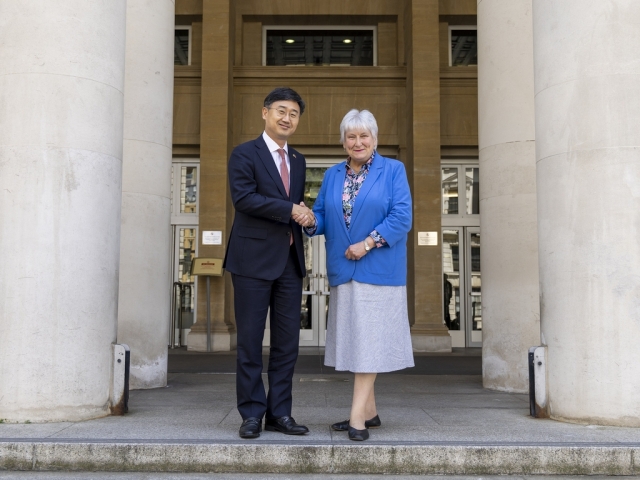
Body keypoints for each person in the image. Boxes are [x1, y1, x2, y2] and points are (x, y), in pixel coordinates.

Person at [304, 109, 414, 441]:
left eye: (364, 135)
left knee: (368, 345)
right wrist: (309, 220)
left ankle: (357, 419)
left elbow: (401, 216)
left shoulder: (393, 170)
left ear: (375, 139)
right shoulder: (332, 175)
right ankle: (371, 411)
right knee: (357, 342)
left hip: (379, 271)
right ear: (343, 142)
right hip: (344, 270)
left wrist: (367, 244)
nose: (358, 142)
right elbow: (323, 216)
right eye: (351, 136)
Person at [223, 87, 315, 439]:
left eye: (293, 113)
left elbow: (295, 202)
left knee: (287, 344)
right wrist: (290, 209)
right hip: (251, 262)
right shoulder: (244, 154)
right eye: (281, 110)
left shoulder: (299, 160)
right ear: (265, 113)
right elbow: (244, 199)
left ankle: (280, 413)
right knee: (249, 342)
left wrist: (304, 214)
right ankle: (250, 413)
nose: (287, 118)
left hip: (290, 263)